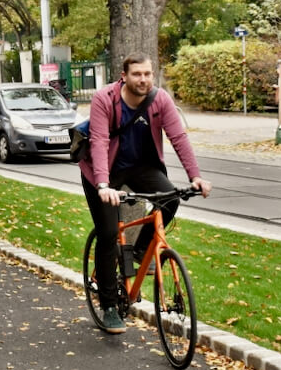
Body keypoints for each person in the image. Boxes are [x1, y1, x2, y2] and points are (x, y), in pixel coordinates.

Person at [79, 54, 212, 335]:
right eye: (137, 74)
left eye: (148, 74)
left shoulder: (159, 99)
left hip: (141, 167)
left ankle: (140, 250)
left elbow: (178, 138)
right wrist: (103, 185)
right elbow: (100, 141)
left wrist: (195, 176)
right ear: (123, 75)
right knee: (107, 234)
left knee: (171, 199)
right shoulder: (105, 99)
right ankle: (109, 306)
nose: (143, 79)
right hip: (104, 171)